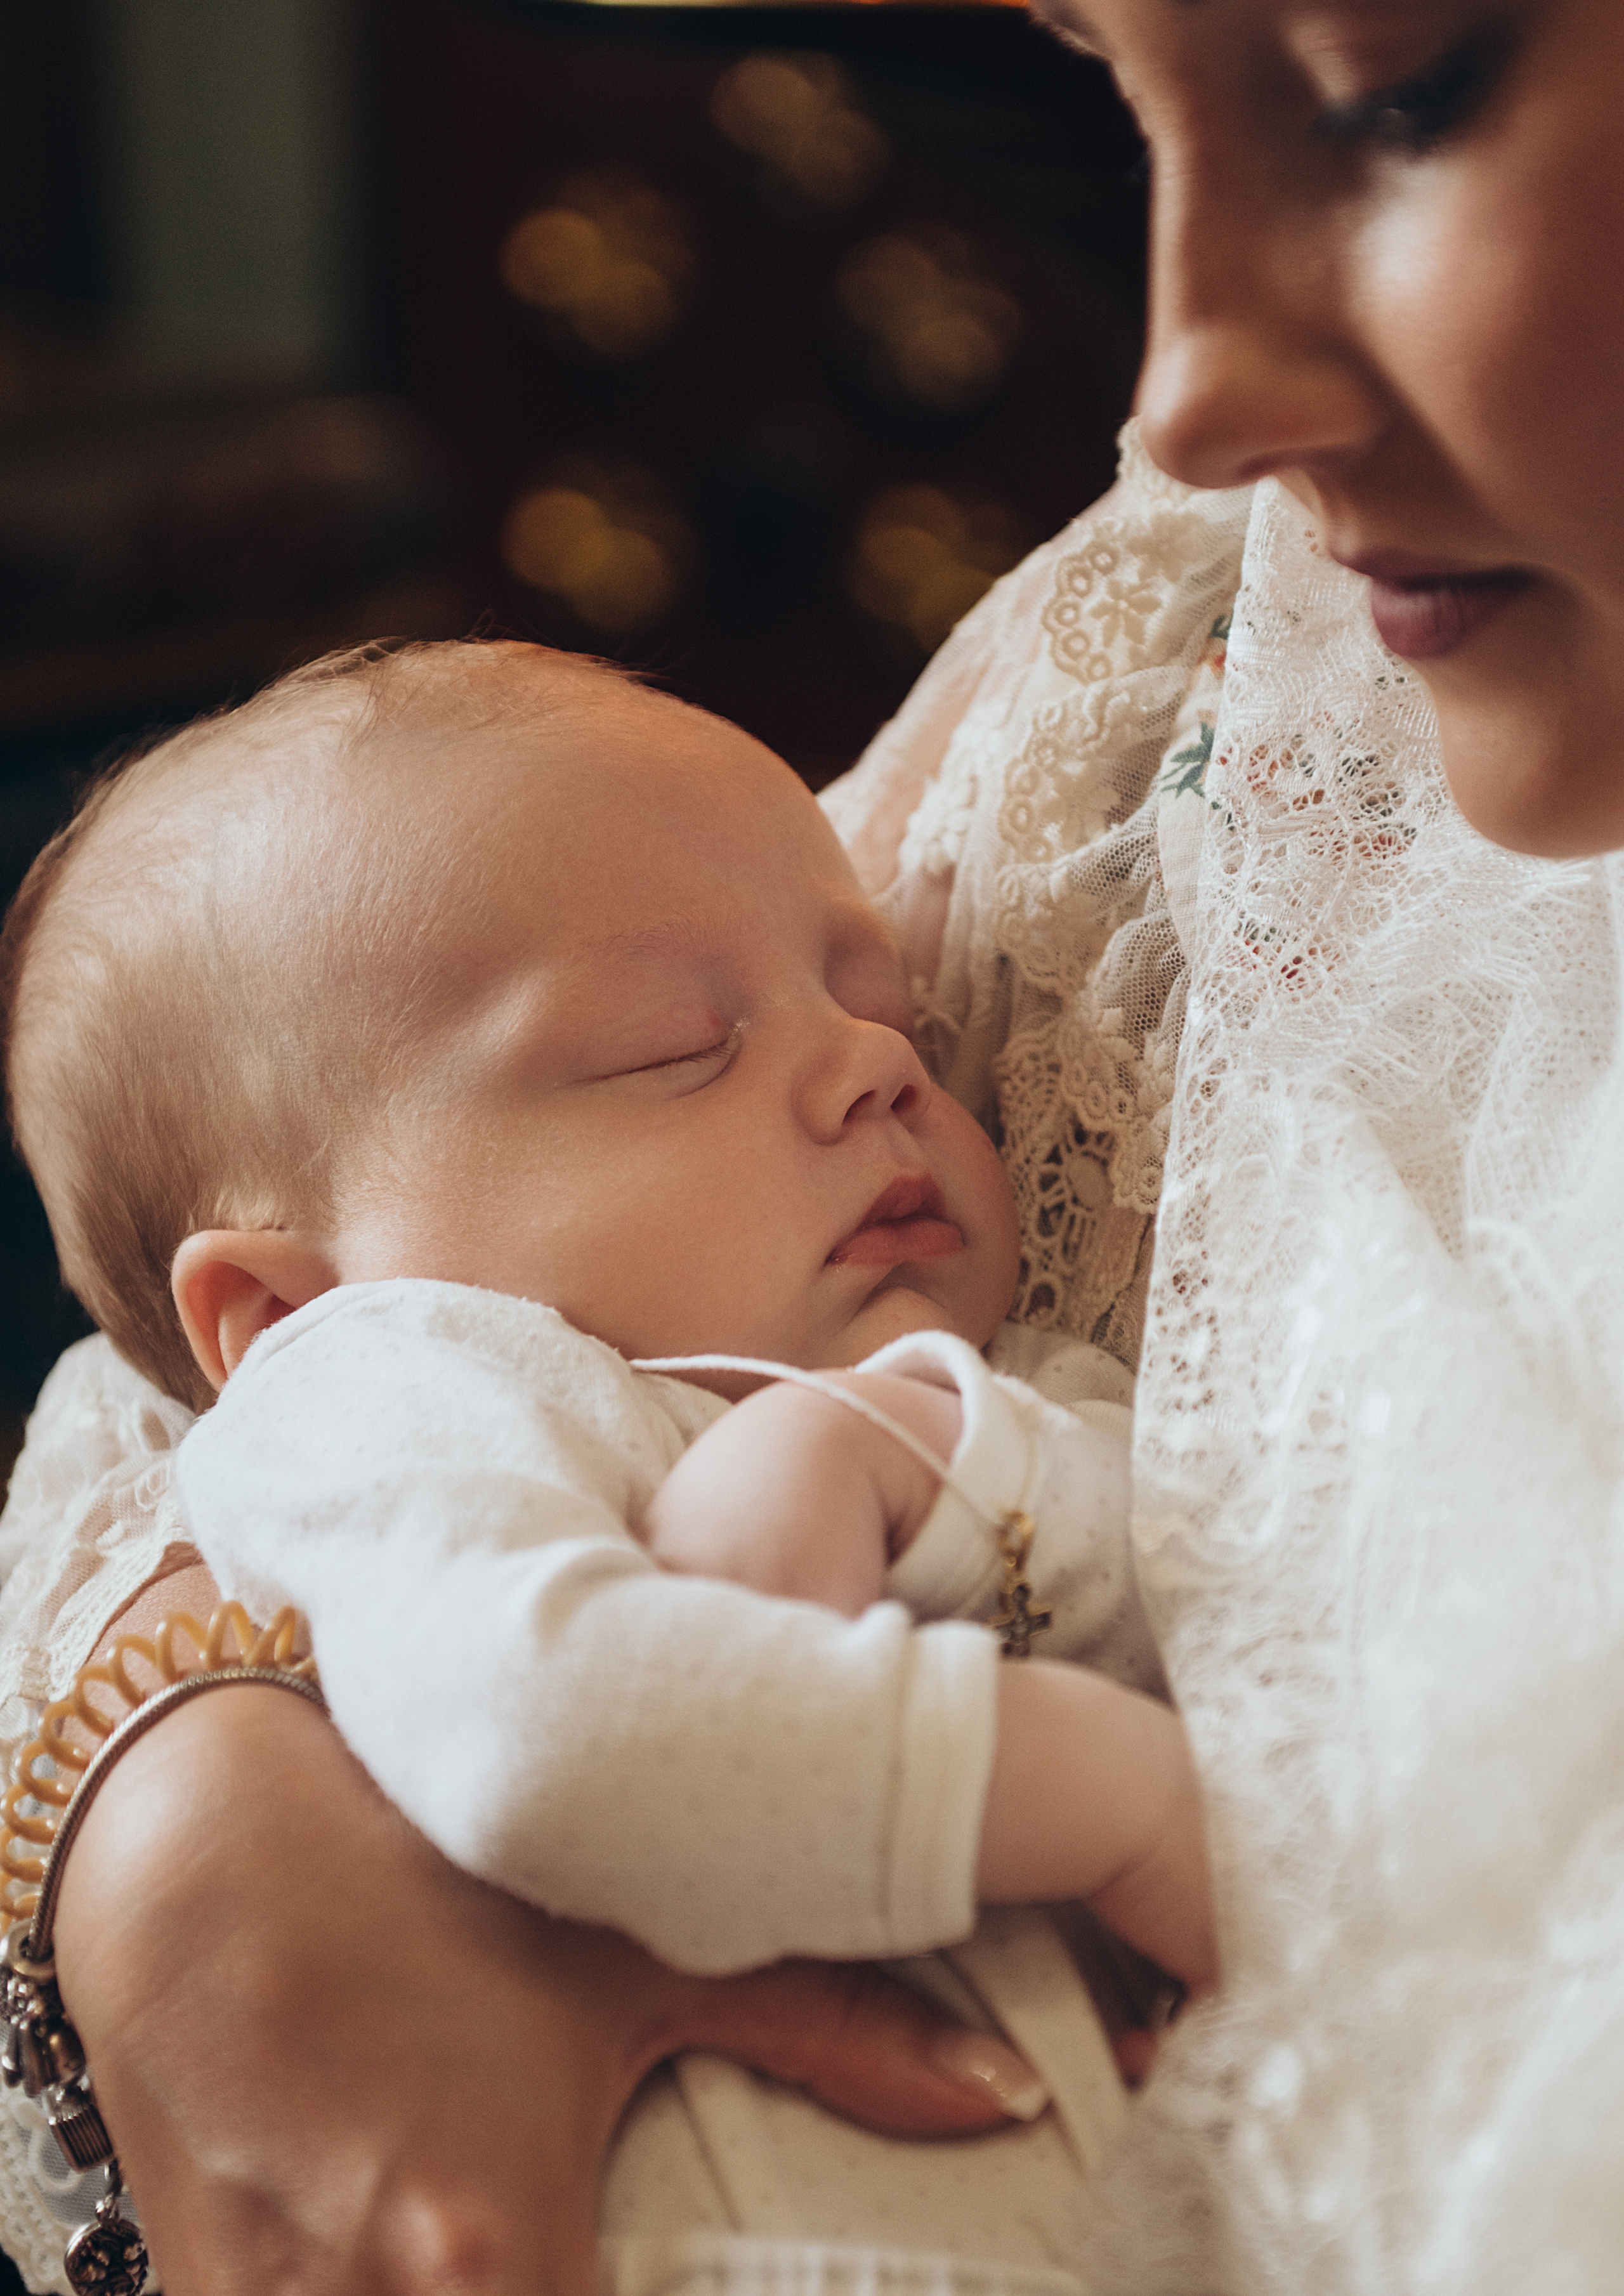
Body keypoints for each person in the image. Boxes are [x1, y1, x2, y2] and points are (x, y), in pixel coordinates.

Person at [6, 0, 1624, 2285]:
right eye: (681, 1046)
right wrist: (189, 1813)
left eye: (1393, 94)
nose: (1182, 397)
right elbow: (163, 1407)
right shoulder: (1198, 645)